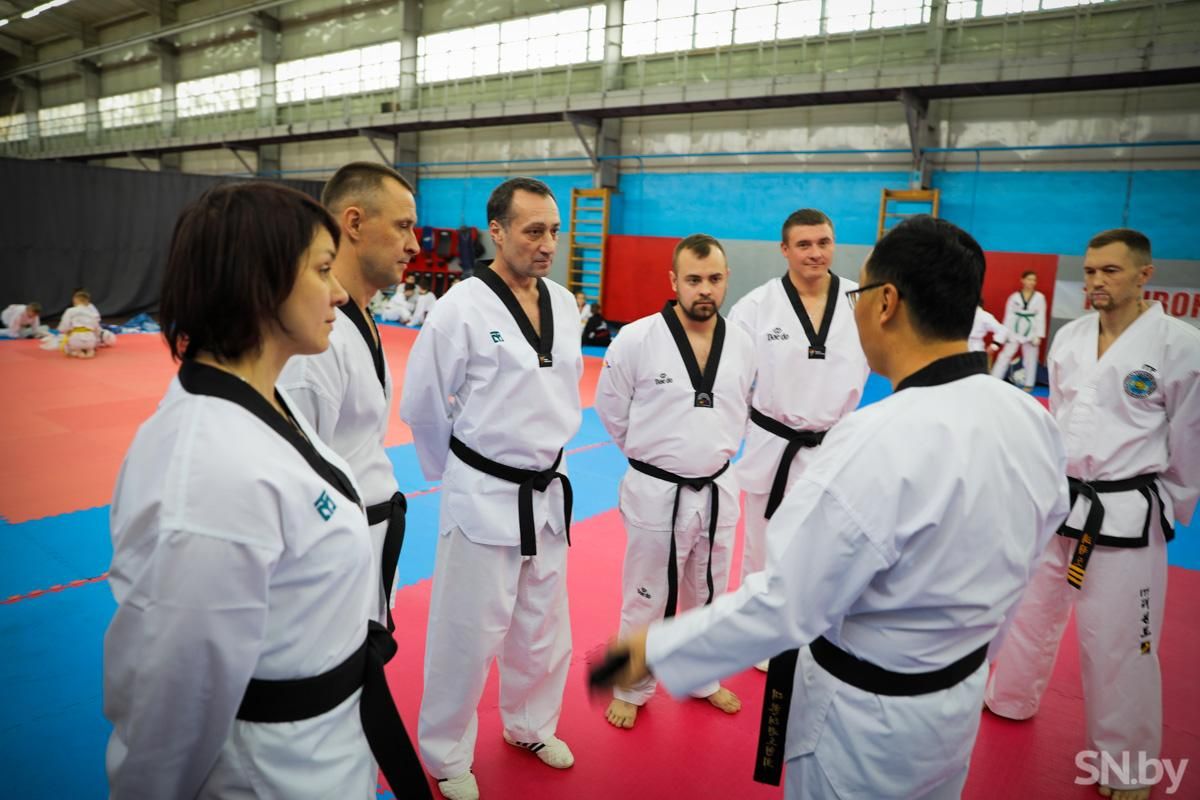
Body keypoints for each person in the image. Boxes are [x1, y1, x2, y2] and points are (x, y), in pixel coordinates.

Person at [600, 215, 1070, 800]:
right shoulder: (1033, 422)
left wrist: (656, 649)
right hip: (956, 703)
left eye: (862, 292)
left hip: (860, 721)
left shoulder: (871, 441)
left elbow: (790, 601)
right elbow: (1032, 555)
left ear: (886, 303)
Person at [104, 182, 429, 799]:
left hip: (329, 740)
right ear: (260, 283)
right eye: (323, 270)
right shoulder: (210, 472)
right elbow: (170, 703)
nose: (339, 292)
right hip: (270, 773)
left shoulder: (265, 402)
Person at [985, 228, 1200, 800]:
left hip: (1126, 510)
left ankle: (1126, 766)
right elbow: (1055, 419)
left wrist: (1169, 506)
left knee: (1121, 640)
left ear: (1144, 275)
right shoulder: (1071, 337)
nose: (1097, 281)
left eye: (1110, 270)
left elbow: (1190, 440)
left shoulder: (1180, 348)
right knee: (1030, 610)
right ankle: (1011, 697)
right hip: (1061, 498)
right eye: (1090, 271)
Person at [401, 177, 583, 800]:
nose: (547, 243)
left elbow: (562, 393)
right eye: (533, 231)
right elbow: (424, 406)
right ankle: (447, 753)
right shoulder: (459, 308)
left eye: (554, 231)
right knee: (467, 632)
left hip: (548, 489)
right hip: (482, 489)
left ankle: (530, 725)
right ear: (497, 232)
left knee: (543, 625)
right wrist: (453, 474)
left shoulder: (564, 303)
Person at [595, 234, 754, 730]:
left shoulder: (743, 343)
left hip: (718, 486)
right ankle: (630, 687)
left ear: (726, 279)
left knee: (708, 593)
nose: (704, 289)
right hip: (656, 490)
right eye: (693, 279)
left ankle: (701, 676)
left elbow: (741, 410)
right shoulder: (637, 338)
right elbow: (610, 409)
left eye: (714, 278)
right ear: (674, 281)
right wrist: (652, 459)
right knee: (646, 595)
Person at [279, 161, 421, 627]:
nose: (414, 245)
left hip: (364, 545)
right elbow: (292, 487)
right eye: (403, 226)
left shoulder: (359, 321)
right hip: (325, 573)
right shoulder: (316, 341)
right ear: (354, 223)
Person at [727, 208, 869, 670]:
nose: (815, 253)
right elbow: (732, 381)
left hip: (836, 445)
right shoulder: (755, 307)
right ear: (784, 249)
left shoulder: (862, 302)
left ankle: (817, 631)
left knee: (829, 548)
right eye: (804, 244)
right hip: (774, 443)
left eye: (823, 242)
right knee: (763, 549)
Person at [991, 269, 1047, 390]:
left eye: (1034, 280)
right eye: (1029, 279)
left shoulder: (1040, 297)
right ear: (1022, 280)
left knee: (1030, 358)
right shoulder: (1014, 297)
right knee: (1005, 356)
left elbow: (1041, 317)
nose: (1032, 282)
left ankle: (1029, 384)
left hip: (1031, 330)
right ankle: (994, 380)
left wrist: (1039, 335)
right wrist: (1005, 334)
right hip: (1014, 329)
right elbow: (1008, 317)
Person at [58, 289, 104, 358]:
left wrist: (67, 332)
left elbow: (64, 326)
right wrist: (97, 341)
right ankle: (90, 351)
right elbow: (97, 328)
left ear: (75, 300)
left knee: (66, 345)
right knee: (91, 342)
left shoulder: (70, 310)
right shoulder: (92, 312)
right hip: (90, 340)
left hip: (76, 340)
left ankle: (77, 352)